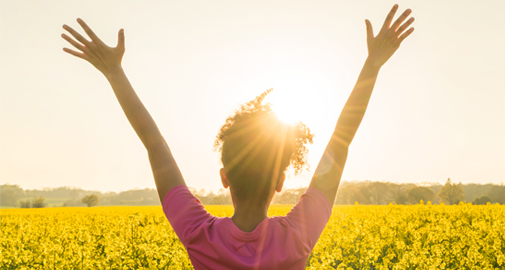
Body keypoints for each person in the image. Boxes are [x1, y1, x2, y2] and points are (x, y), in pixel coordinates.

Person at [62, 4, 414, 269]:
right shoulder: (297, 237)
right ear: (280, 181)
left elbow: (155, 145)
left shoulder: (200, 235)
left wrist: (114, 73)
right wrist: (373, 64)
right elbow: (341, 141)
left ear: (224, 178)